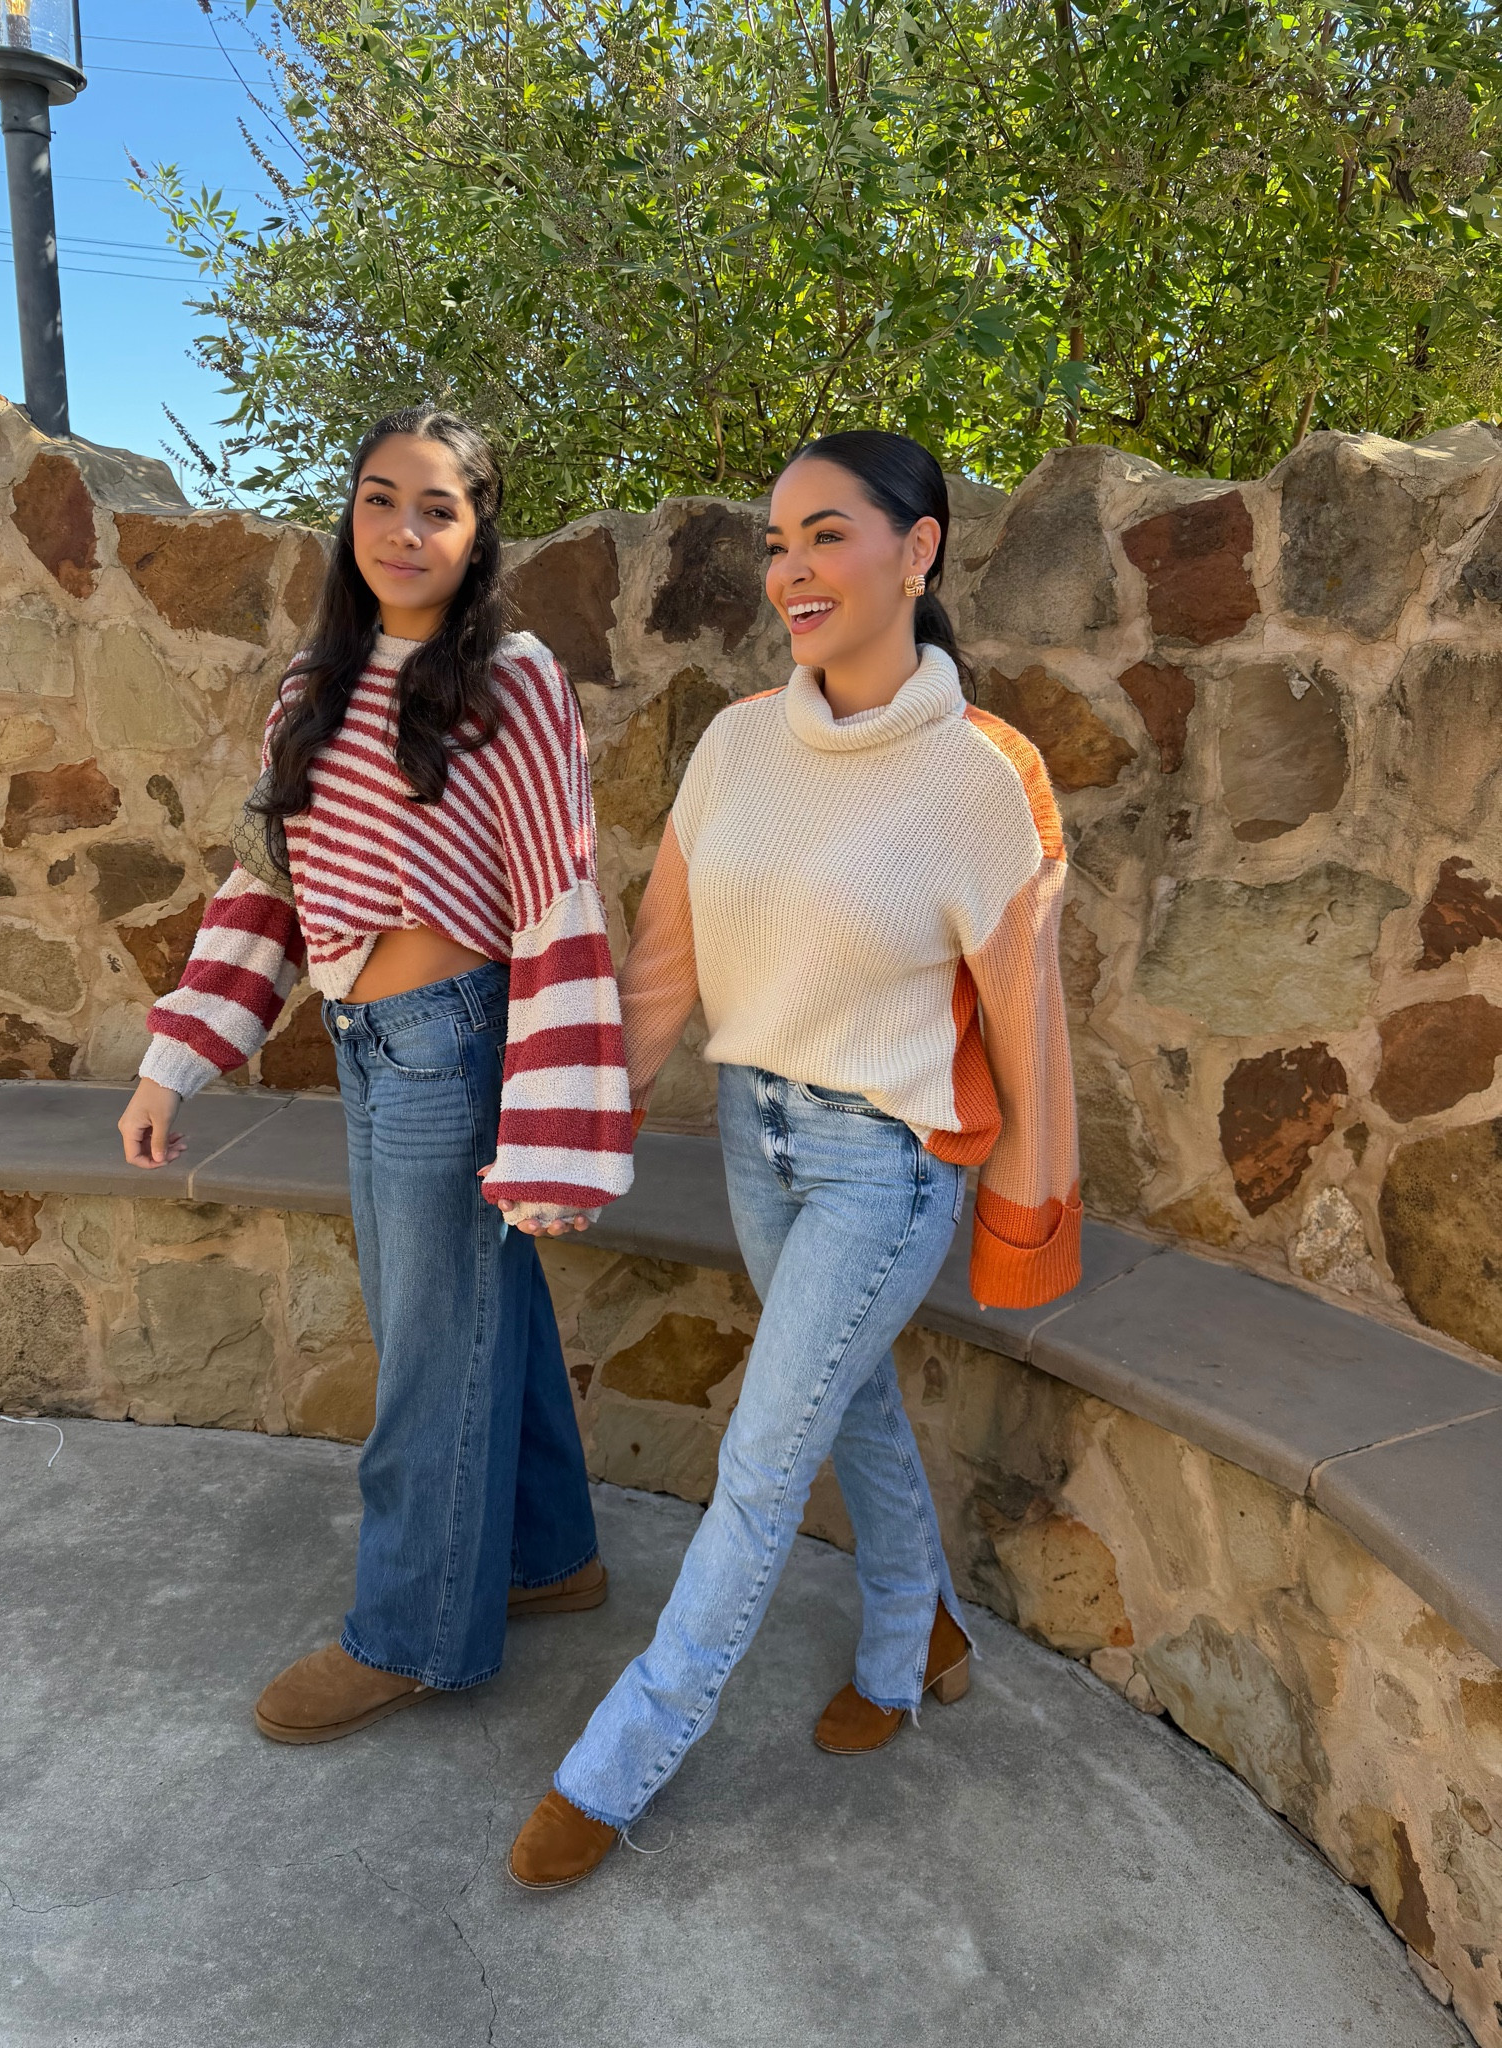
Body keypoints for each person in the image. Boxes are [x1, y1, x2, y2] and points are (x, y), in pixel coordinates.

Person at [507, 428, 1082, 1888]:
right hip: (756, 1141)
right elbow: (662, 967)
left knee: (764, 1457)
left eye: (827, 534)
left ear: (920, 547)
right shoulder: (736, 743)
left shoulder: (982, 776)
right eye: (777, 543)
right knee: (845, 1403)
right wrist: (584, 1129)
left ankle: (623, 1756)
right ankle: (919, 1630)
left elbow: (1028, 1027)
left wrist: (1026, 1217)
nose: (792, 571)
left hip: (885, 1170)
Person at [117, 405, 633, 1744]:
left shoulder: (511, 680)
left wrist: (561, 1133)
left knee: (425, 1354)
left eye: (438, 508)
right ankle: (547, 1558)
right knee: (467, 1315)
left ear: (477, 532)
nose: (405, 529)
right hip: (364, 1046)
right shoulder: (313, 688)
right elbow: (263, 888)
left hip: (454, 1045)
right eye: (380, 500)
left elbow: (559, 898)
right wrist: (173, 1063)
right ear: (349, 516)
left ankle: (412, 1635)